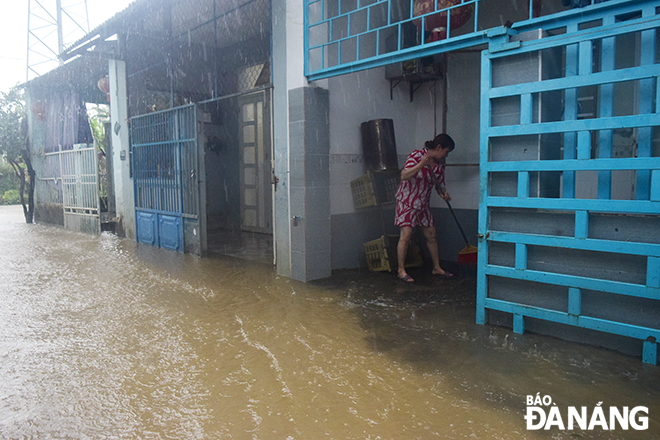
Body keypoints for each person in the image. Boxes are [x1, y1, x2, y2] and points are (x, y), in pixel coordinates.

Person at [395, 133, 455, 282]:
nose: (446, 155)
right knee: (406, 236)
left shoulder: (440, 164)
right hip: (407, 201)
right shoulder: (417, 155)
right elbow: (404, 175)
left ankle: (436, 268)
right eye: (446, 152)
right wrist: (421, 164)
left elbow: (439, 184)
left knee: (431, 235)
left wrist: (444, 194)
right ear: (439, 147)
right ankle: (401, 270)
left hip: (423, 204)